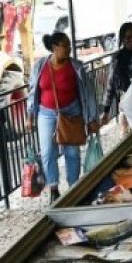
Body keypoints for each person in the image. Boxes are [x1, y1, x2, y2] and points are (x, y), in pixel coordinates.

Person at [27, 32, 100, 201]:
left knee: (72, 152)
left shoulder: (76, 67)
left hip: (71, 112)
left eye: (69, 46)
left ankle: (73, 186)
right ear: (54, 48)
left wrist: (92, 119)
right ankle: (53, 188)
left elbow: (88, 94)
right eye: (65, 46)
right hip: (46, 114)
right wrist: (29, 115)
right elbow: (32, 92)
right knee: (47, 151)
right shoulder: (40, 66)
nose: (69, 49)